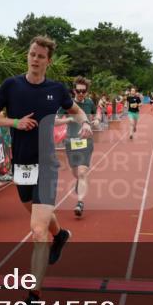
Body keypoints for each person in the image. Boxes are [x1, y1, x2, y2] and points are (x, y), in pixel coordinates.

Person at [0, 36, 91, 305]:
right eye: (32, 54)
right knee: (38, 217)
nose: (35, 59)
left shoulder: (56, 89)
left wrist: (86, 124)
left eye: (40, 56)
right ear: (27, 56)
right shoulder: (11, 85)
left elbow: (77, 111)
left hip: (47, 166)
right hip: (21, 165)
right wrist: (14, 122)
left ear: (48, 61)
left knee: (36, 231)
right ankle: (62, 235)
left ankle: (33, 298)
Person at [59, 77, 95, 218]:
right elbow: (56, 119)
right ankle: (79, 183)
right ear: (74, 90)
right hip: (71, 142)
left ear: (87, 91)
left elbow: (96, 113)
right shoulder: (67, 104)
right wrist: (67, 119)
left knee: (82, 173)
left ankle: (80, 202)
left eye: (83, 91)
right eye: (78, 91)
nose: (81, 93)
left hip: (86, 141)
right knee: (76, 174)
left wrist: (97, 119)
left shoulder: (90, 103)